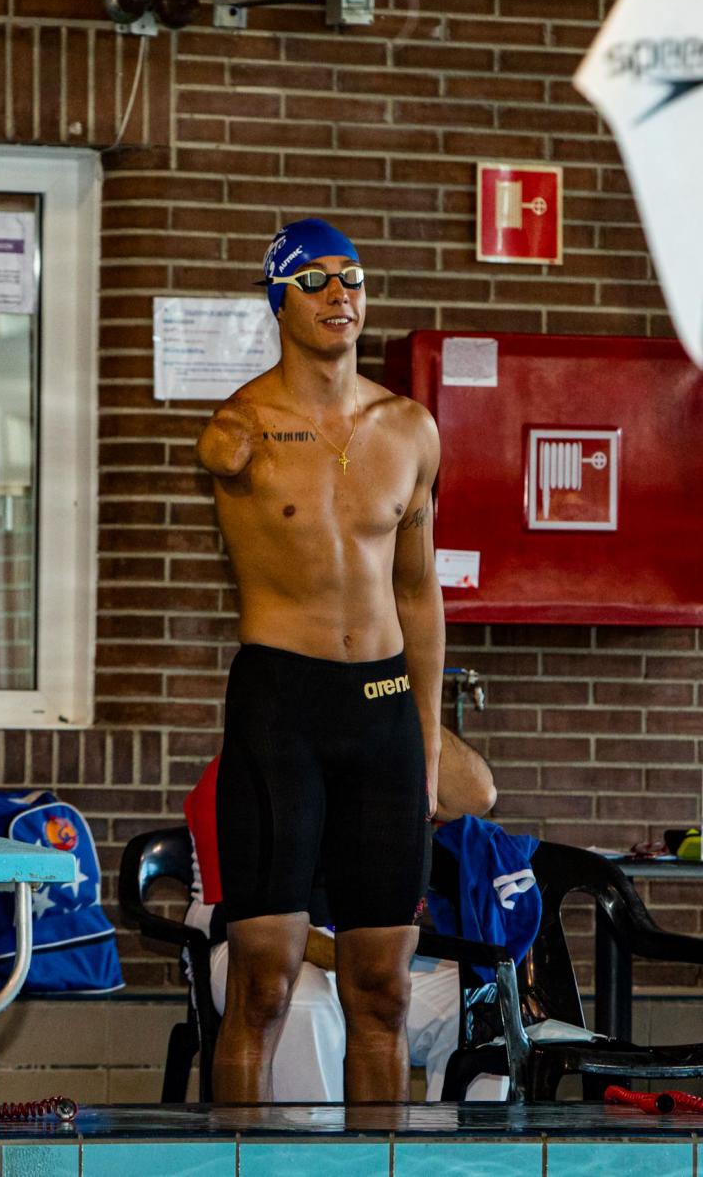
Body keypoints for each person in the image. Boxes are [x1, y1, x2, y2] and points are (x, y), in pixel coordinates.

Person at [196, 216, 445, 1104]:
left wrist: (423, 743)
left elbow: (418, 593)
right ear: (278, 298)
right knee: (263, 983)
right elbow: (213, 454)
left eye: (355, 277)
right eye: (317, 279)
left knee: (383, 991)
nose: (343, 293)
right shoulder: (241, 429)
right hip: (282, 706)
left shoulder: (410, 429)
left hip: (382, 713)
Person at [184, 725, 499, 1101]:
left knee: (480, 999)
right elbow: (250, 925)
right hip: (247, 949)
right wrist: (367, 964)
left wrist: (409, 698)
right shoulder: (246, 770)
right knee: (304, 998)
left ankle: (448, 1156)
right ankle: (321, 1157)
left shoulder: (375, 765)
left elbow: (478, 795)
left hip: (358, 953)